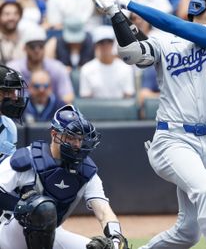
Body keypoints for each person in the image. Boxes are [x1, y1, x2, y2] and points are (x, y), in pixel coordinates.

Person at [93, 0, 206, 248]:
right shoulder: (164, 41)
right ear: (196, 6)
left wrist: (128, 3)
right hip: (173, 138)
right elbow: (132, 54)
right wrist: (115, 13)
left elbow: (179, 27)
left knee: (188, 232)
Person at [0, 104, 130, 248]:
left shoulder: (86, 170)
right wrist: (22, 207)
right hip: (10, 235)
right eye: (71, 137)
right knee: (42, 207)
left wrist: (116, 238)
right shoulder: (27, 158)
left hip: (50, 236)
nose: (77, 144)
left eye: (80, 139)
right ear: (54, 134)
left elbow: (104, 211)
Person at [79, 25, 135, 99]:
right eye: (101, 42)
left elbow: (128, 97)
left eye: (109, 42)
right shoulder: (86, 69)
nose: (105, 45)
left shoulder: (126, 68)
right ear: (95, 45)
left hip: (119, 110)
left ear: (113, 43)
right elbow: (86, 100)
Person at [0, 65, 27, 159]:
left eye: (15, 92)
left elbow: (8, 167)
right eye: (11, 92)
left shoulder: (9, 125)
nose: (15, 97)